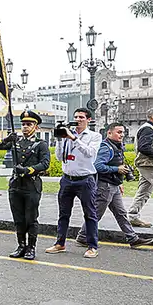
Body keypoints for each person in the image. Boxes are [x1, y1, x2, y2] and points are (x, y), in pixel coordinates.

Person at [75, 123, 153, 250]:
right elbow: (97, 166)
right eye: (119, 132)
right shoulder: (106, 147)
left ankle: (133, 238)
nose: (122, 135)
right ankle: (82, 237)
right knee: (96, 214)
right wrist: (117, 169)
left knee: (121, 213)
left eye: (123, 132)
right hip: (104, 186)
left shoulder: (117, 146)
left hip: (113, 185)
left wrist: (119, 182)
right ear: (109, 133)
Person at [0, 111, 51, 259]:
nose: (25, 127)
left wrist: (28, 170)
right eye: (23, 124)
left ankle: (31, 247)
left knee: (31, 218)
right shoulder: (16, 142)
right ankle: (21, 246)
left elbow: (45, 163)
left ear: (36, 127)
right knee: (18, 218)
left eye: (29, 124)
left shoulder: (41, 144)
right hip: (16, 185)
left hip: (31, 185)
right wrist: (7, 138)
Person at [46, 108, 103, 258]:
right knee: (63, 213)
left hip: (85, 179)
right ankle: (60, 243)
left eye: (81, 117)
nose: (78, 120)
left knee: (90, 214)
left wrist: (73, 138)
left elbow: (90, 153)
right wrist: (60, 139)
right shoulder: (67, 135)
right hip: (67, 179)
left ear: (88, 120)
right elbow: (60, 157)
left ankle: (92, 246)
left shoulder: (95, 136)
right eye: (76, 117)